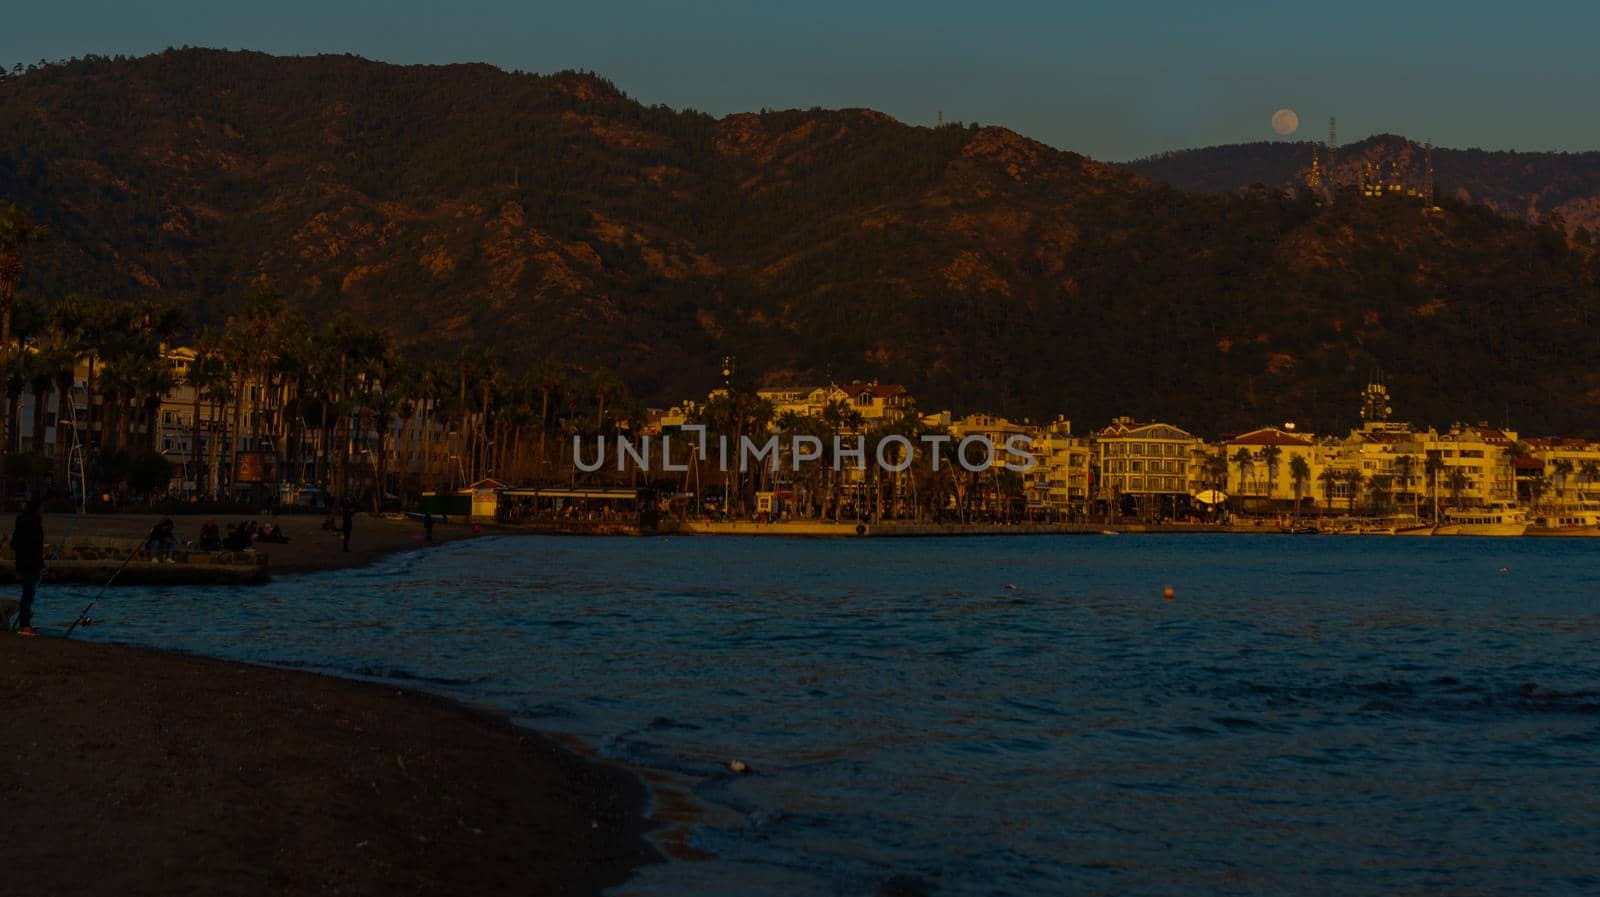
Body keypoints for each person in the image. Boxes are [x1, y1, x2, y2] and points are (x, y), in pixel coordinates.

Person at [12, 497, 45, 635]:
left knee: (27, 593)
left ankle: (24, 623)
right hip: (30, 565)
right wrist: (40, 566)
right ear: (37, 509)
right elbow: (36, 548)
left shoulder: (21, 521)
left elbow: (13, 543)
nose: (43, 511)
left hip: (22, 563)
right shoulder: (35, 525)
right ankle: (24, 625)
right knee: (28, 595)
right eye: (42, 509)